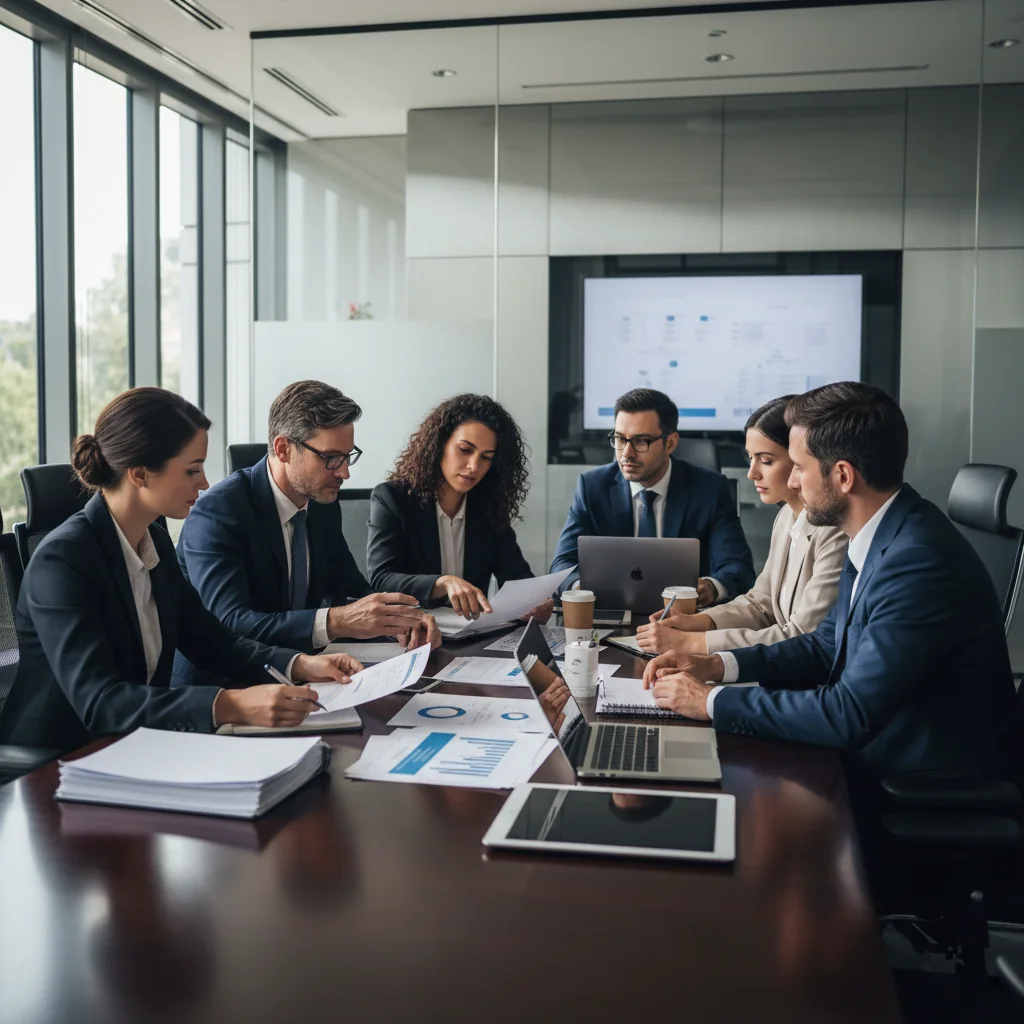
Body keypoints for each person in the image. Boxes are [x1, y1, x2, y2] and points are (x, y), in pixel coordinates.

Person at [641, 382, 1015, 783]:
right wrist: (715, 666)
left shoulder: (917, 562)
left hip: (916, 773)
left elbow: (848, 713)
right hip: (878, 741)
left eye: (799, 467)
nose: (795, 484)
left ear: (842, 476)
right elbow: (825, 644)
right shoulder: (882, 531)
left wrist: (711, 701)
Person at [0, 388, 364, 755]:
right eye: (192, 469)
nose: (204, 483)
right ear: (140, 474)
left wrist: (300, 663)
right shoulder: (63, 561)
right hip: (54, 765)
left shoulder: (153, 542)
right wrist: (230, 705)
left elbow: (212, 641)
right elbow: (100, 702)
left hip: (137, 746)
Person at [173, 380, 438, 687]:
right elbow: (231, 623)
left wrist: (400, 618)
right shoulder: (218, 511)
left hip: (304, 678)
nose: (344, 473)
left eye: (347, 456)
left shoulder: (321, 504)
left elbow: (349, 588)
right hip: (222, 690)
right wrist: (337, 621)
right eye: (330, 458)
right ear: (283, 449)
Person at [635, 395, 848, 655]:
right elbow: (761, 604)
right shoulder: (785, 517)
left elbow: (802, 635)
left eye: (766, 460)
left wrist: (692, 643)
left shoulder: (835, 530)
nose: (752, 473)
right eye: (750, 458)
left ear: (800, 456)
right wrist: (696, 623)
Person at [550, 388, 755, 606]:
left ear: (670, 443)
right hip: (609, 616)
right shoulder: (592, 488)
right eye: (620, 439)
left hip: (682, 619)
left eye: (641, 441)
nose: (627, 453)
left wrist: (712, 587)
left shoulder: (709, 490)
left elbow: (737, 568)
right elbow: (563, 564)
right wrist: (579, 587)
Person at [367, 393, 553, 622]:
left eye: (486, 457)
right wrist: (442, 583)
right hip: (411, 631)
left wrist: (534, 600)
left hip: (472, 636)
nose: (474, 466)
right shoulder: (393, 498)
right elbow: (382, 578)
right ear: (439, 445)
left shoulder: (488, 506)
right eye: (465, 450)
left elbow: (515, 575)